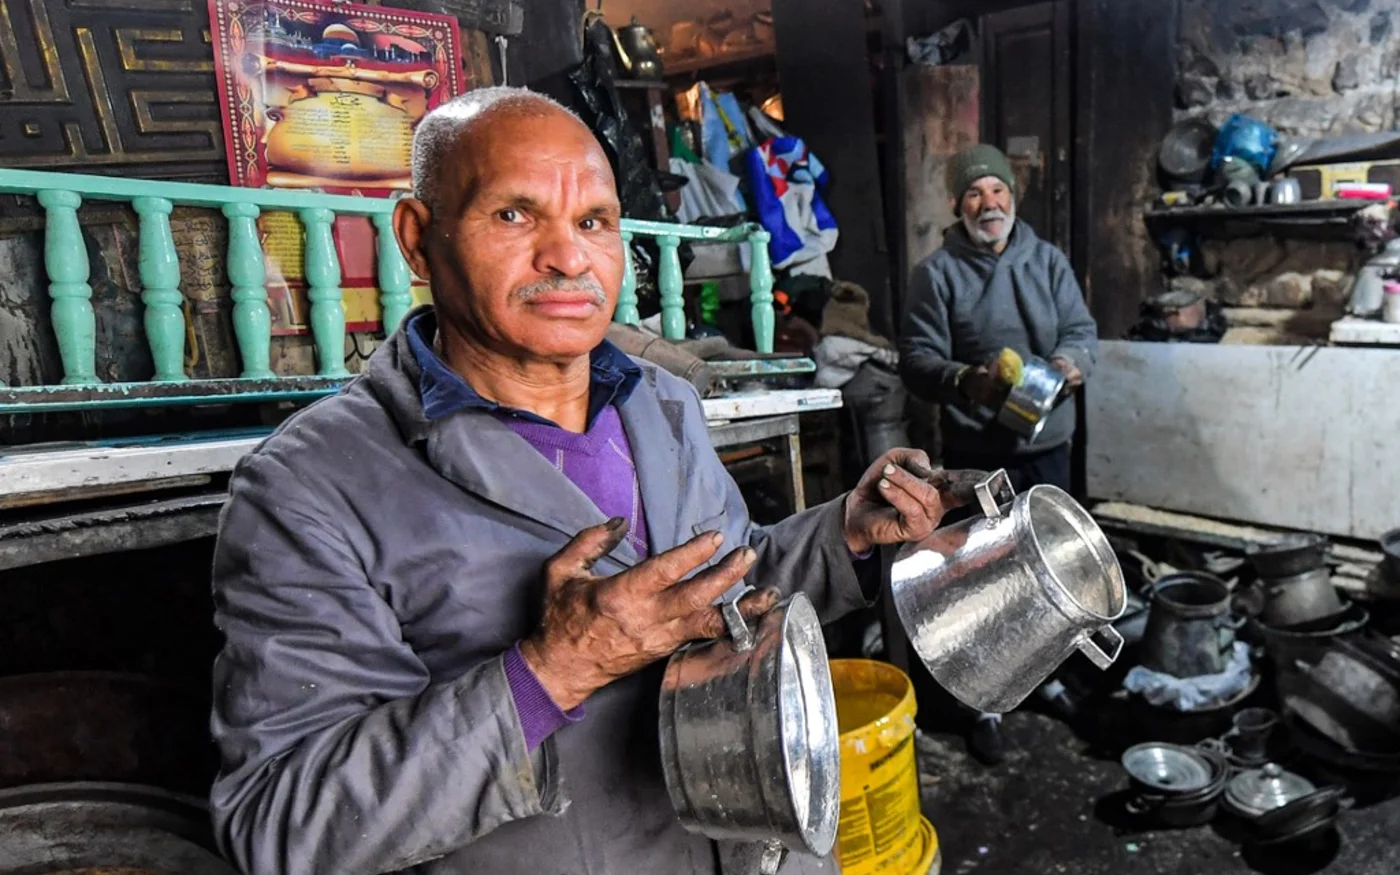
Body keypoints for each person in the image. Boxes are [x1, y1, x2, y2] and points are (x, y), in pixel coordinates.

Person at [209, 86, 976, 875]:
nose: (568, 258)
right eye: (514, 214)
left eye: (593, 222)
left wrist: (844, 532)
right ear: (416, 237)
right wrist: (554, 668)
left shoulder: (660, 401)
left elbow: (721, 598)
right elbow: (282, 823)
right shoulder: (308, 489)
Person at [898, 143, 1099, 765]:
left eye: (997, 191)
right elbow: (918, 360)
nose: (989, 204)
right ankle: (985, 698)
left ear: (1013, 196)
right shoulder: (937, 274)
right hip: (978, 452)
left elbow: (1081, 331)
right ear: (959, 207)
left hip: (1049, 445)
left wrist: (1070, 363)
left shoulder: (1047, 261)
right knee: (984, 577)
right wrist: (965, 381)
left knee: (1055, 566)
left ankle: (1051, 674)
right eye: (975, 194)